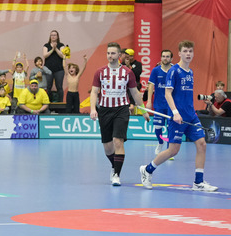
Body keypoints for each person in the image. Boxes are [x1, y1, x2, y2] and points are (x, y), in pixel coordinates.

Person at [141, 40, 218, 191]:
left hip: (191, 116)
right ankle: (147, 170)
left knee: (202, 144)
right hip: (177, 117)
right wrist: (175, 112)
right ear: (180, 53)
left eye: (190, 51)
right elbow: (167, 93)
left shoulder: (191, 72)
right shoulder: (173, 71)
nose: (188, 54)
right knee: (173, 150)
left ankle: (198, 182)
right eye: (185, 51)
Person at [90, 42, 145, 187]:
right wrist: (92, 109)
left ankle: (116, 174)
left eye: (113, 53)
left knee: (118, 141)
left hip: (121, 109)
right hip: (105, 110)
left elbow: (135, 92)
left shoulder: (127, 72)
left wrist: (143, 110)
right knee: (107, 147)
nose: (110, 56)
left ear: (119, 55)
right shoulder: (100, 72)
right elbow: (94, 91)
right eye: (108, 53)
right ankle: (115, 166)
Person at [146, 49, 173, 155]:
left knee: (170, 128)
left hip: (172, 106)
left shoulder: (175, 70)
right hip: (159, 104)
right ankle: (160, 142)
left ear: (171, 59)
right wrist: (149, 101)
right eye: (163, 56)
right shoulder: (156, 70)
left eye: (167, 56)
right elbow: (151, 86)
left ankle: (168, 150)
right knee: (157, 127)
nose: (165, 58)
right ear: (161, 58)